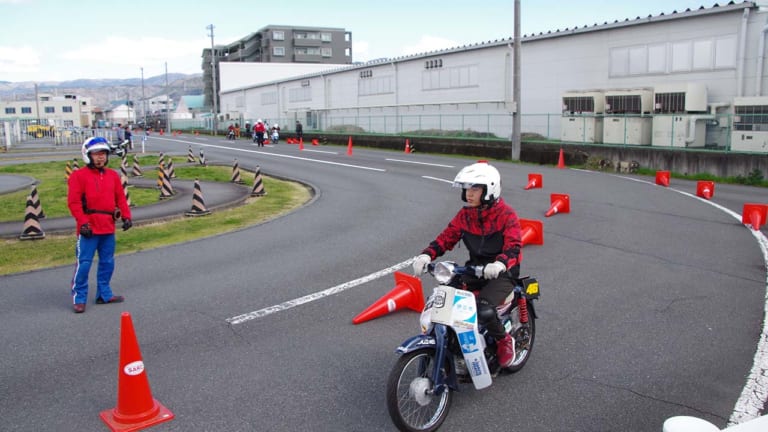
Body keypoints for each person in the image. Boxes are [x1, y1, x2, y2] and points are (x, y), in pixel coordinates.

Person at [412, 161, 522, 368]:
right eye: (467, 189)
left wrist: (500, 263)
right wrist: (426, 256)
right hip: (474, 269)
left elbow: (514, 247)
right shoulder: (465, 215)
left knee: (483, 310)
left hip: (502, 273)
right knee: (442, 299)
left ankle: (503, 341)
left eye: (475, 189)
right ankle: (452, 344)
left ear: (489, 189)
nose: (469, 194)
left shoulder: (506, 215)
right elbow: (446, 238)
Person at [67, 136, 133, 314]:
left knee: (107, 263)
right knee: (84, 264)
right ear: (88, 155)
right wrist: (83, 223)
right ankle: (79, 297)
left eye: (103, 153)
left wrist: (126, 216)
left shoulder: (112, 175)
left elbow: (120, 198)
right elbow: (74, 203)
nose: (100, 157)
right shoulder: (78, 176)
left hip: (108, 227)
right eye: (96, 154)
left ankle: (104, 294)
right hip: (88, 228)